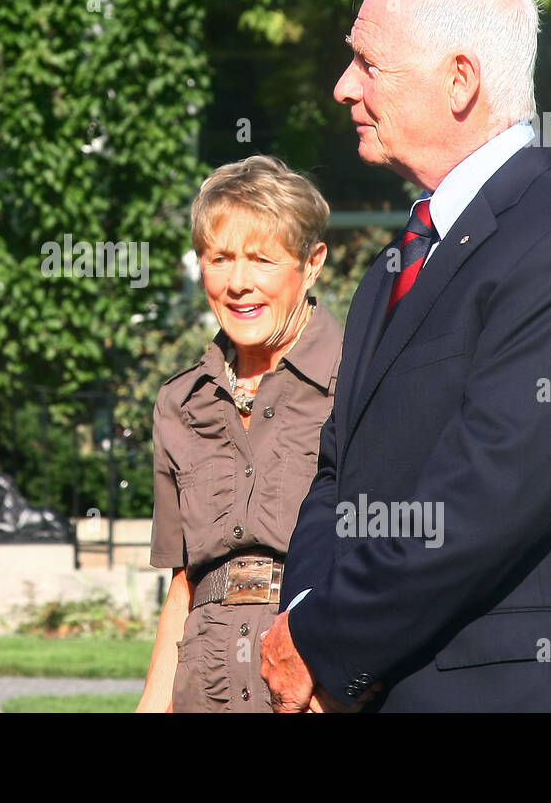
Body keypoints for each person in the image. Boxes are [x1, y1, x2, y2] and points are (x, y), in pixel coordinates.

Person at [260, 0, 551, 712]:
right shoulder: (399, 261)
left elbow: (484, 500)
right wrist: (303, 617)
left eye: (367, 64)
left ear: (460, 80)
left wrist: (328, 644)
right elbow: (338, 476)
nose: (343, 87)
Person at [137, 156, 342, 712]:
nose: (237, 283)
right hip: (206, 688)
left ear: (312, 262)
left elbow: (392, 555)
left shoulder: (359, 382)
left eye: (261, 259)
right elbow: (185, 582)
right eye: (219, 259)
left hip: (319, 682)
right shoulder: (178, 403)